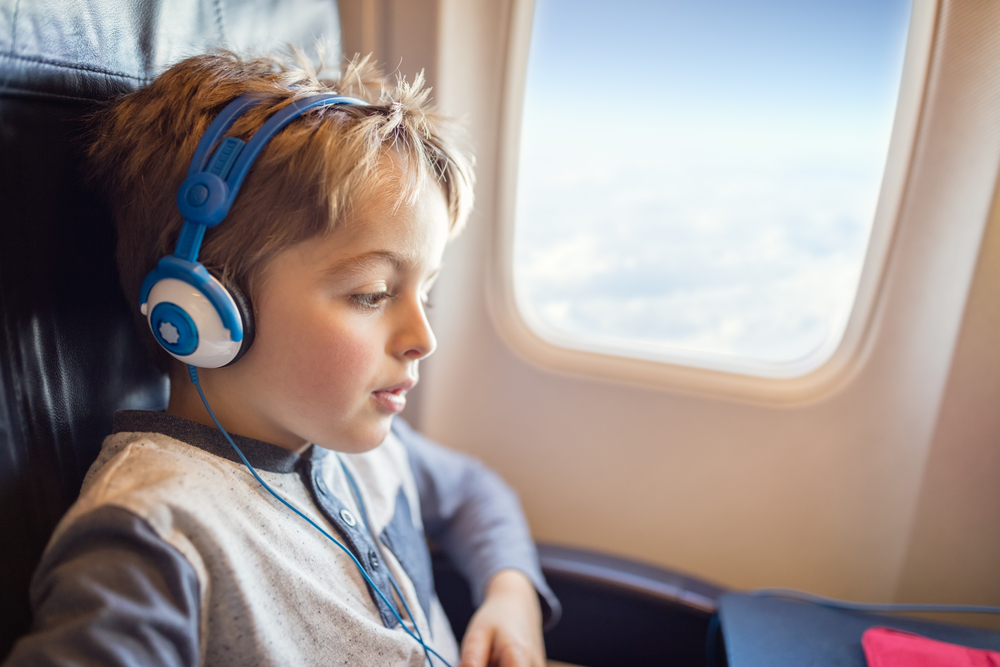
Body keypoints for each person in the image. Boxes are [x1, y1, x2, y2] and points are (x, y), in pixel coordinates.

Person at [3, 51, 558, 667]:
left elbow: (475, 493)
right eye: (371, 293)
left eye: (424, 292)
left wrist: (510, 595)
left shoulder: (354, 443)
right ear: (204, 309)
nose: (423, 337)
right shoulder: (155, 538)